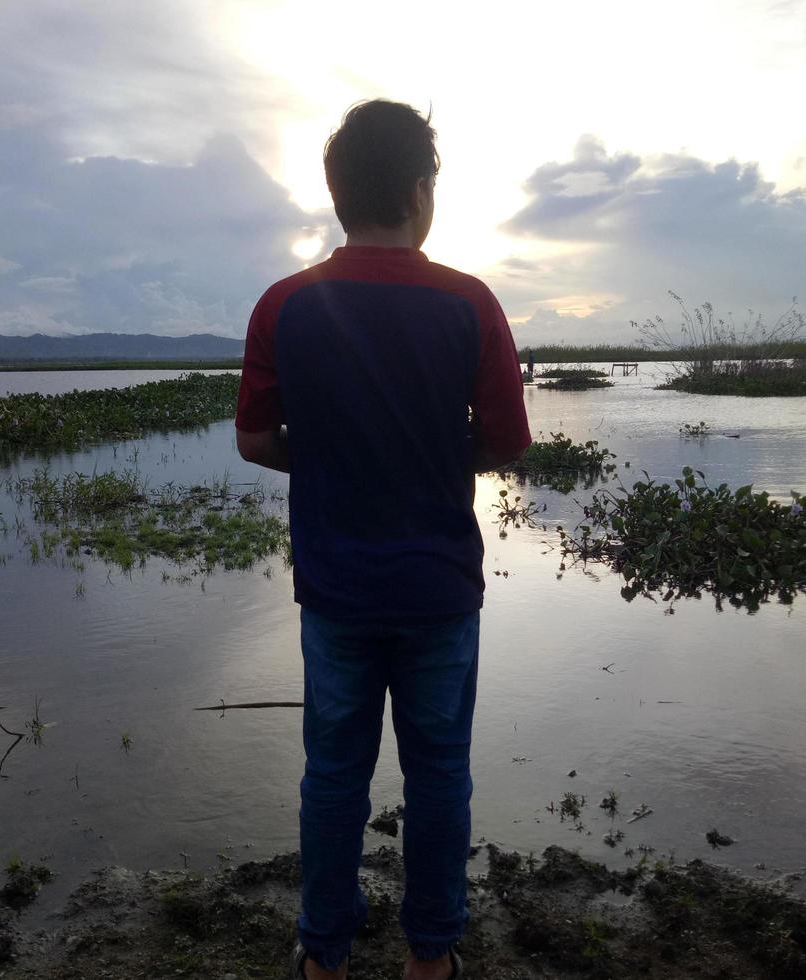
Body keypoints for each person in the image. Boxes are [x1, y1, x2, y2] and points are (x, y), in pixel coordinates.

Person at [235, 99, 531, 980]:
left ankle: (322, 958)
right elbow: (509, 441)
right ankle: (430, 960)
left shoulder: (284, 305)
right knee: (438, 777)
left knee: (333, 777)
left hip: (335, 592)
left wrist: (331, 463)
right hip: (439, 591)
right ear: (419, 189)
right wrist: (437, 461)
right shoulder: (470, 304)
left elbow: (255, 440)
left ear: (337, 195)